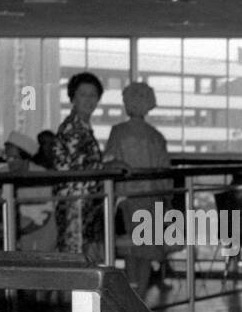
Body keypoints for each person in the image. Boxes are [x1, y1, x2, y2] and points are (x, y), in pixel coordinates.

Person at [105, 81, 172, 290]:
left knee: (130, 250)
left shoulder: (118, 132)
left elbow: (108, 162)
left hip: (126, 199)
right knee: (146, 251)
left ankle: (133, 293)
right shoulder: (156, 136)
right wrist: (167, 201)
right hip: (152, 199)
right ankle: (140, 294)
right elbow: (165, 173)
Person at [53, 71, 116, 260]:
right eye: (83, 94)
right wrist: (108, 166)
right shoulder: (73, 128)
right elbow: (79, 168)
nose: (88, 100)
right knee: (76, 257)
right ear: (73, 98)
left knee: (82, 256)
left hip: (84, 204)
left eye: (93, 95)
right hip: (75, 205)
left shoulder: (82, 127)